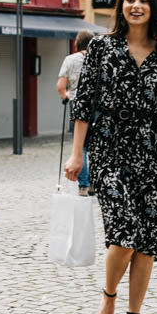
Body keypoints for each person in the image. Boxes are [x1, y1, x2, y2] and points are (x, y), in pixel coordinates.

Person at [63, 0, 157, 314]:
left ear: (153, 7)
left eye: (143, 0)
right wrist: (77, 155)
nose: (136, 6)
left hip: (150, 149)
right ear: (121, 7)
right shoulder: (102, 47)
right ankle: (108, 298)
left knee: (147, 239)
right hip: (110, 147)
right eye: (129, 0)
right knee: (123, 232)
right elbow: (84, 103)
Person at [57, 30, 95, 194]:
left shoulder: (70, 60)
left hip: (78, 103)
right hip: (99, 106)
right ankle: (95, 183)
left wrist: (65, 96)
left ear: (77, 43)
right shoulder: (98, 59)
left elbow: (60, 86)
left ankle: (84, 185)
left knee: (82, 146)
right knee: (96, 146)